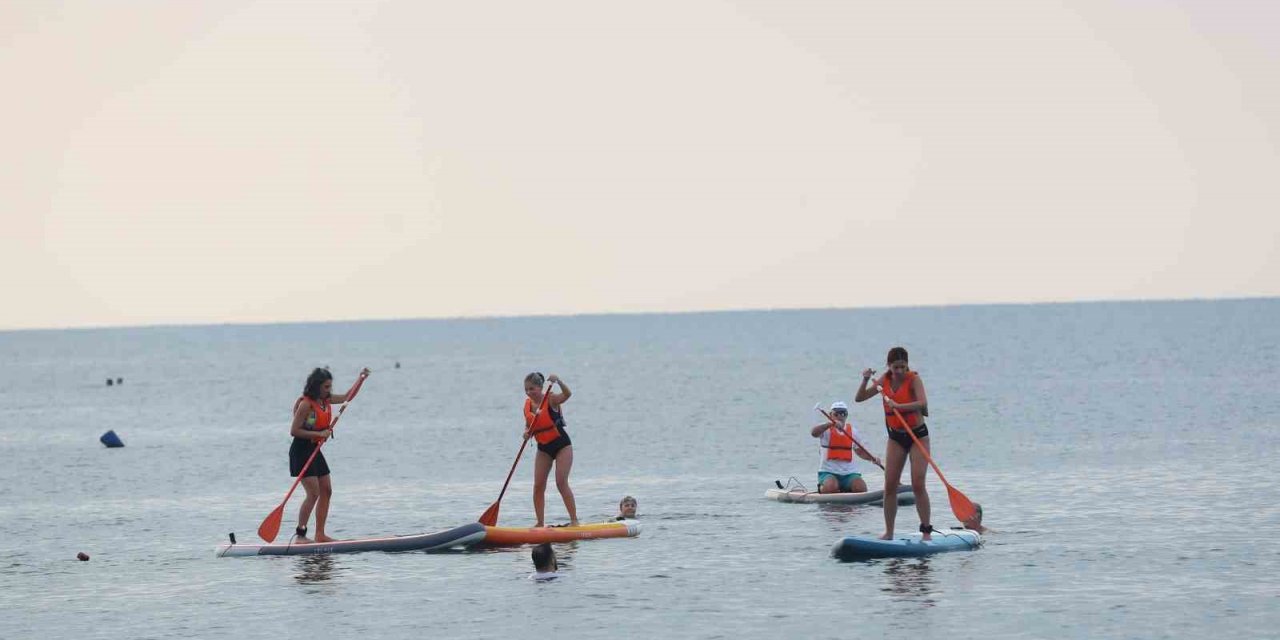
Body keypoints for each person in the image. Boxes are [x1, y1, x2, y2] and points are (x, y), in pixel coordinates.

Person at [855, 346, 933, 540]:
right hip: (896, 437)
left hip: (917, 436)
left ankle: (926, 532)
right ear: (888, 366)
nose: (899, 371)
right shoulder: (884, 380)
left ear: (907, 365)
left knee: (917, 484)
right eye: (895, 367)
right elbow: (860, 398)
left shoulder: (914, 379)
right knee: (890, 485)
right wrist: (864, 379)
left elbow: (922, 403)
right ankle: (889, 532)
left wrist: (899, 406)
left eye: (903, 367)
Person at [289, 367, 370, 543]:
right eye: (326, 387)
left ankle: (320, 534)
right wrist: (319, 435)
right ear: (316, 386)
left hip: (315, 451)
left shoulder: (325, 400)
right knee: (313, 493)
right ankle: (300, 536)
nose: (329, 390)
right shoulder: (306, 404)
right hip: (301, 452)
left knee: (327, 490)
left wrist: (361, 379)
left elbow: (347, 396)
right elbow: (294, 431)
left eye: (330, 387)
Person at [523, 372, 578, 527]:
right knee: (538, 485)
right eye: (526, 389)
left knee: (561, 482)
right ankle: (540, 523)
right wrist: (527, 434)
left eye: (532, 389)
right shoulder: (527, 405)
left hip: (562, 445)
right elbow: (529, 426)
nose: (528, 392)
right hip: (543, 448)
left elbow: (568, 394)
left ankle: (574, 520)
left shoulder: (551, 399)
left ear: (540, 387)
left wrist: (559, 381)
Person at [810, 401, 881, 493]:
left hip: (849, 474)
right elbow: (813, 433)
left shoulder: (853, 431)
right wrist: (830, 424)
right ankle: (823, 488)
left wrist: (872, 458)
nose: (840, 416)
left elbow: (860, 451)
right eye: (836, 414)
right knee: (831, 487)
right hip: (828, 472)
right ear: (830, 415)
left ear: (846, 415)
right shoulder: (825, 430)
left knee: (861, 488)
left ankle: (845, 489)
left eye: (843, 413)